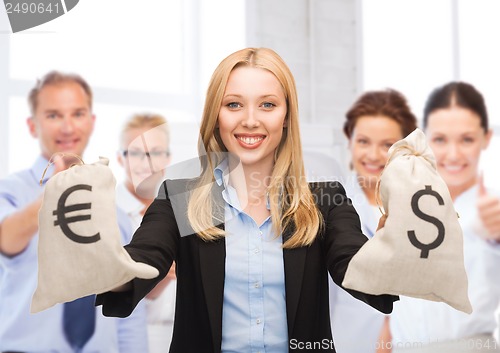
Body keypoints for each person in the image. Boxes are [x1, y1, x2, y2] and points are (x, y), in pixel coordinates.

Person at [95, 47, 399, 353]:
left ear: (286, 116)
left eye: (267, 104)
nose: (250, 120)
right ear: (216, 115)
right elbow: (142, 262)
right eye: (234, 104)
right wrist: (96, 260)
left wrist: (391, 248)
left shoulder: (324, 201)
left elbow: (358, 270)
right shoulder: (181, 200)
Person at [0, 71, 149, 352]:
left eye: (78, 114)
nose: (68, 127)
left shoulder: (115, 214)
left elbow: (130, 309)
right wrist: (51, 197)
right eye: (54, 115)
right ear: (33, 126)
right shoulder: (10, 191)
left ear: (91, 122)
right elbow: (6, 238)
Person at [382, 81, 500, 352]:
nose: (454, 154)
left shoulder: (492, 207)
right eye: (440, 139)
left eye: (467, 139)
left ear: (486, 138)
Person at [328, 89, 418, 353]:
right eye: (363, 141)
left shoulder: (423, 207)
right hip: (348, 342)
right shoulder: (329, 205)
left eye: (387, 144)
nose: (373, 155)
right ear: (350, 141)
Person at [116, 113, 177, 353]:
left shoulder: (181, 212)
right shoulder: (106, 215)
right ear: (121, 159)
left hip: (178, 334)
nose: (146, 163)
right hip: (125, 338)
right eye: (135, 153)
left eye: (155, 153)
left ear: (168, 157)